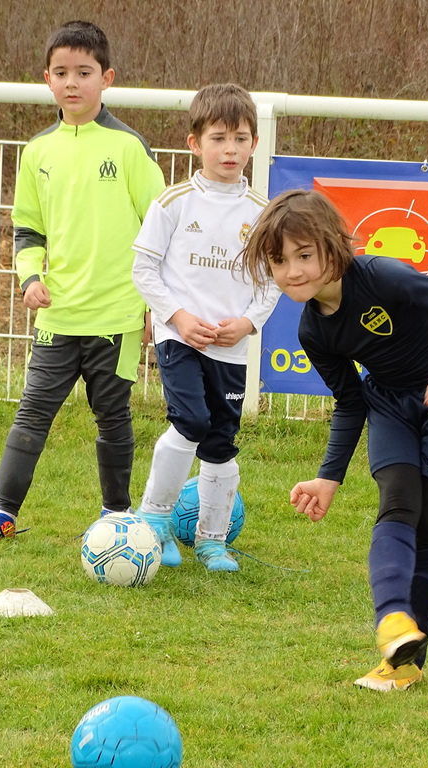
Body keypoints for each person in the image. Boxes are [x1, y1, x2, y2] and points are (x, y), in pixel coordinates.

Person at [240, 189, 428, 689]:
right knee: (398, 502)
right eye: (279, 261)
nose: (293, 271)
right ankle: (394, 626)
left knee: (427, 525)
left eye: (304, 255)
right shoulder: (313, 332)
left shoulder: (381, 275)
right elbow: (351, 400)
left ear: (333, 244)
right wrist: (328, 478)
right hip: (390, 405)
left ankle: (410, 663)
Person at [0, 20, 165, 544]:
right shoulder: (38, 151)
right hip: (59, 314)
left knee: (112, 417)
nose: (73, 82)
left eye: (84, 72)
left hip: (117, 314)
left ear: (107, 78)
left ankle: (116, 517)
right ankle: (1, 514)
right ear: (47, 79)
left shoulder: (129, 148)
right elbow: (27, 229)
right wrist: (30, 277)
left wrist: (154, 305)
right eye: (62, 72)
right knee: (32, 414)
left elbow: (162, 230)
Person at [131, 83, 280, 572]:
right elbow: (143, 270)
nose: (229, 149)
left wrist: (248, 323)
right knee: (191, 421)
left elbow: (272, 283)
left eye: (240, 138)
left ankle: (212, 541)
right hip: (180, 338)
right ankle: (154, 518)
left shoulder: (263, 213)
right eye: (218, 138)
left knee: (220, 439)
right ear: (195, 143)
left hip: (229, 347)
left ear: (254, 143)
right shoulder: (174, 201)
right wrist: (177, 316)